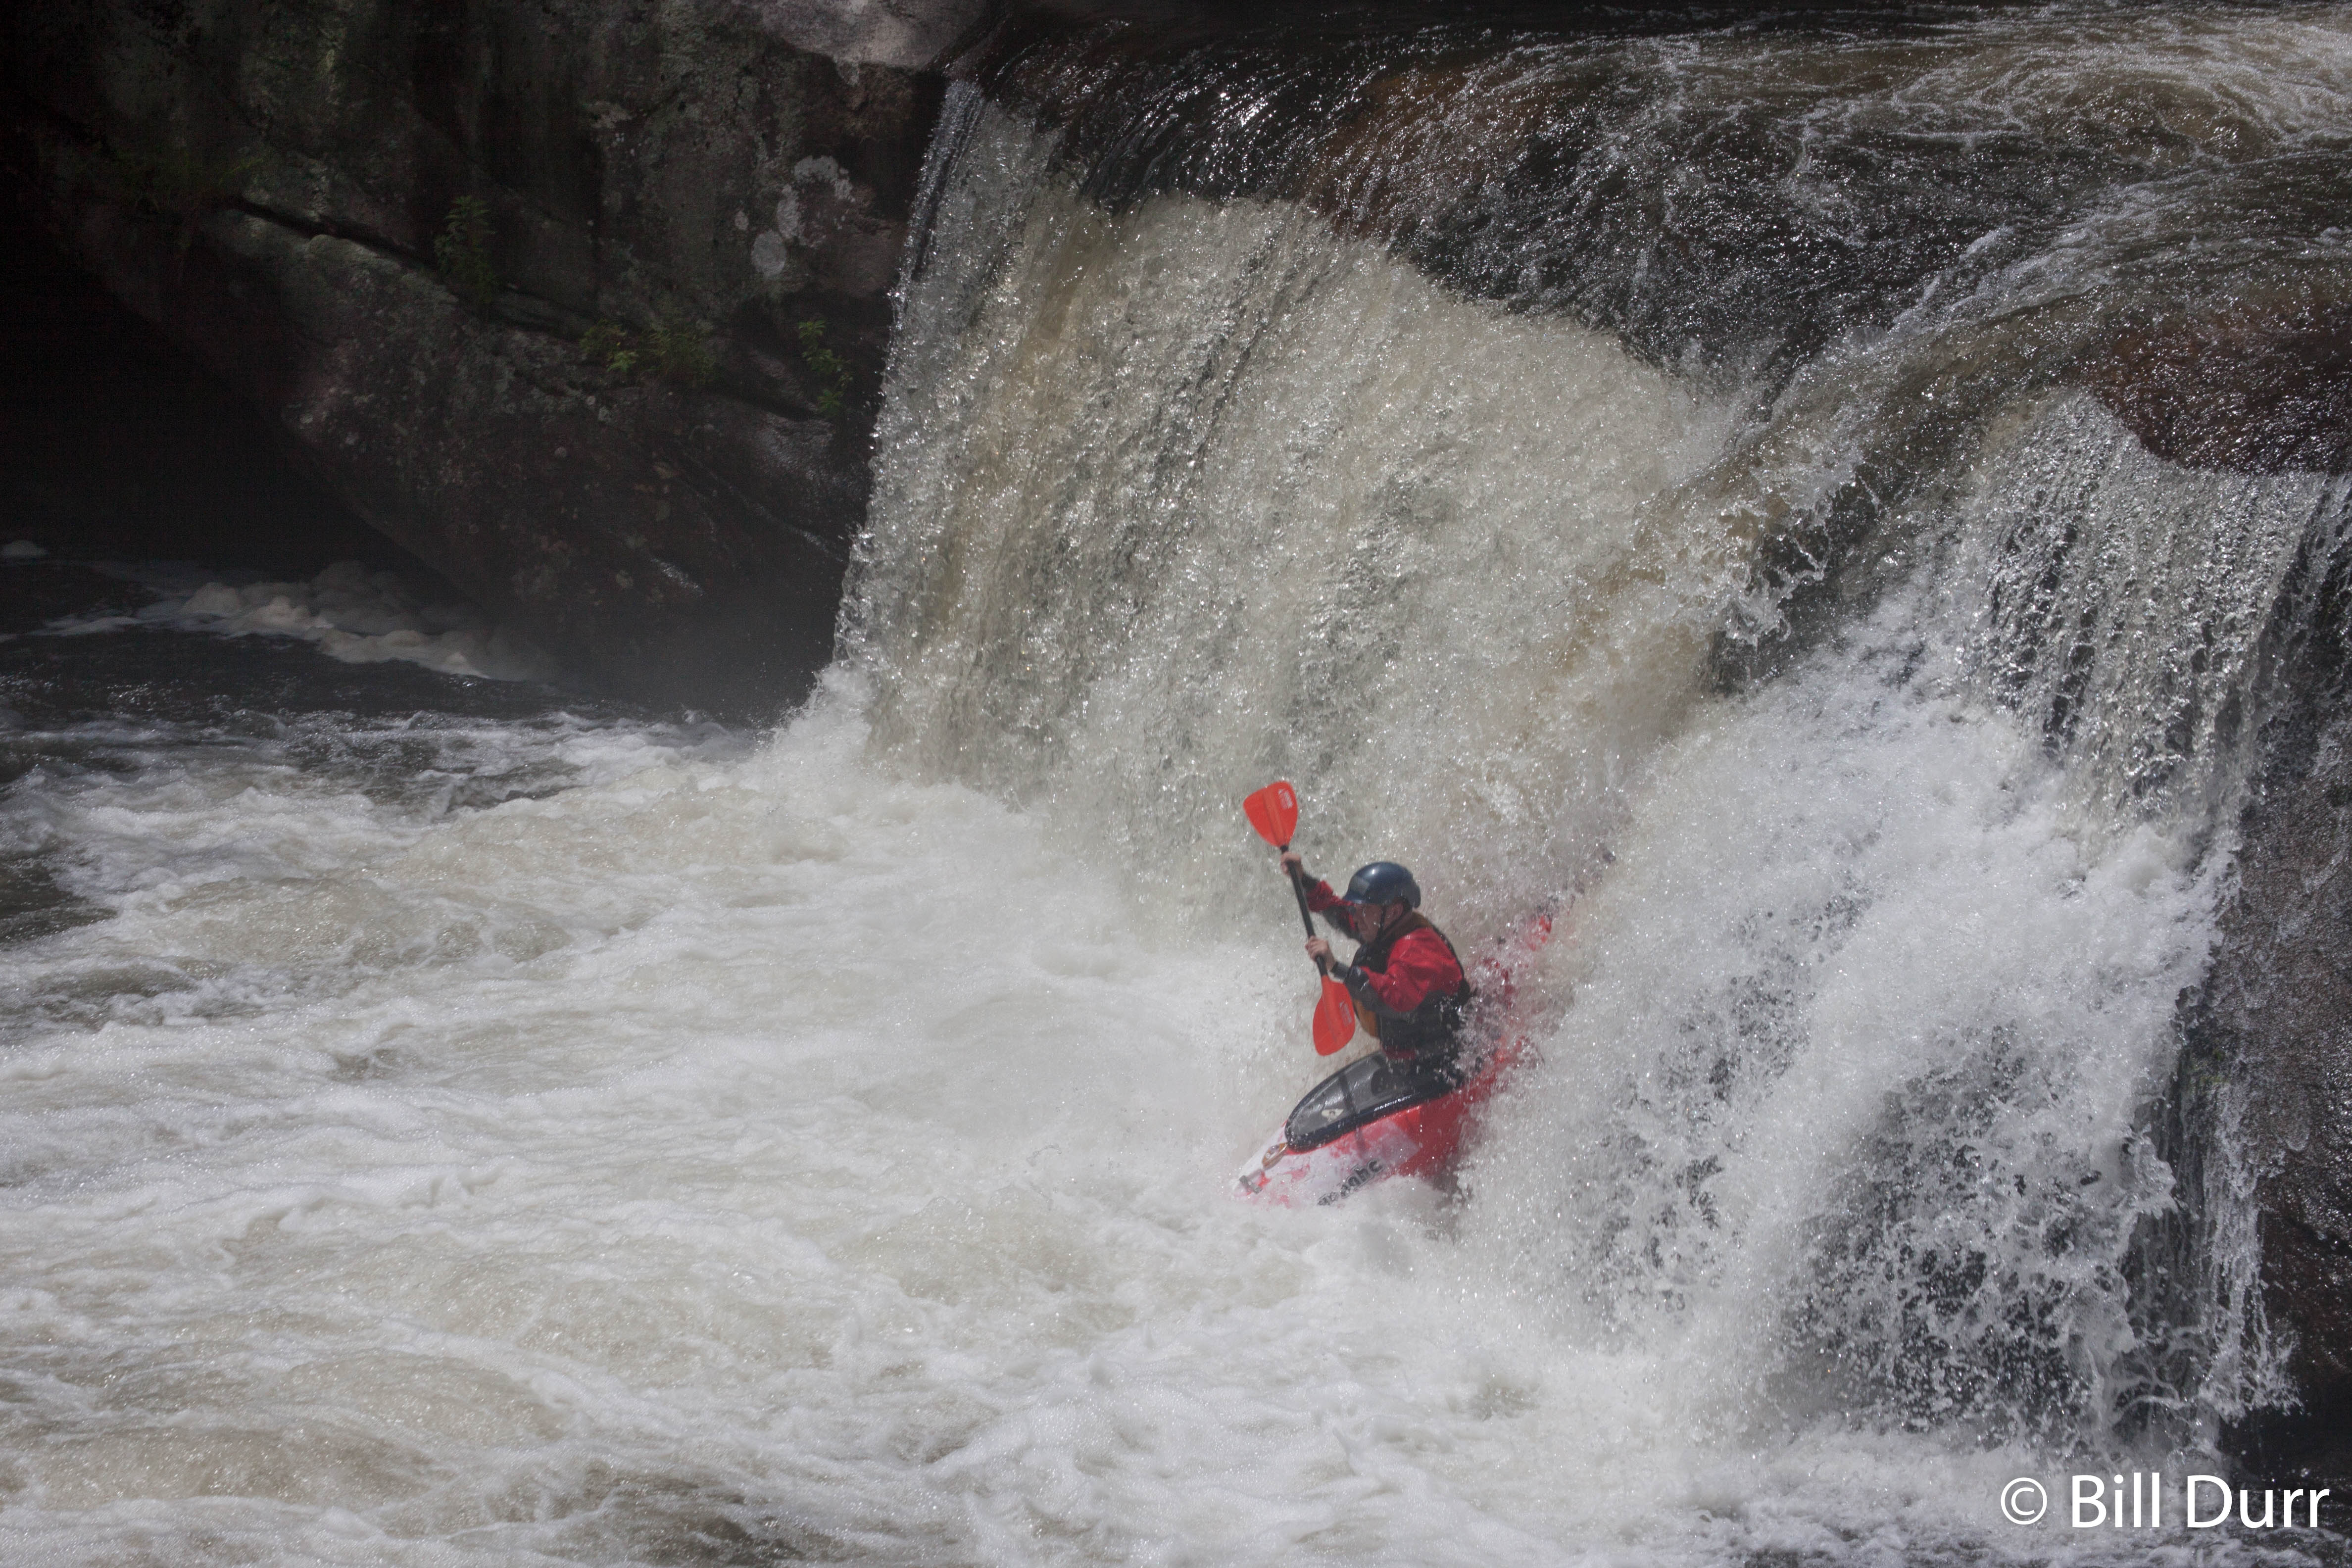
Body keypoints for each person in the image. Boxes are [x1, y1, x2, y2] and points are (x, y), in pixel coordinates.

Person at [1278, 852, 1474, 1085]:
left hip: (1449, 1060)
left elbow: (1392, 997)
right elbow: (1340, 913)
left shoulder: (1417, 949)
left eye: (1364, 909)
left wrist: (1338, 968)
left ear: (1394, 911)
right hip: (1412, 1056)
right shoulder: (1384, 925)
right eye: (1358, 908)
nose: (1357, 917)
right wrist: (1303, 879)